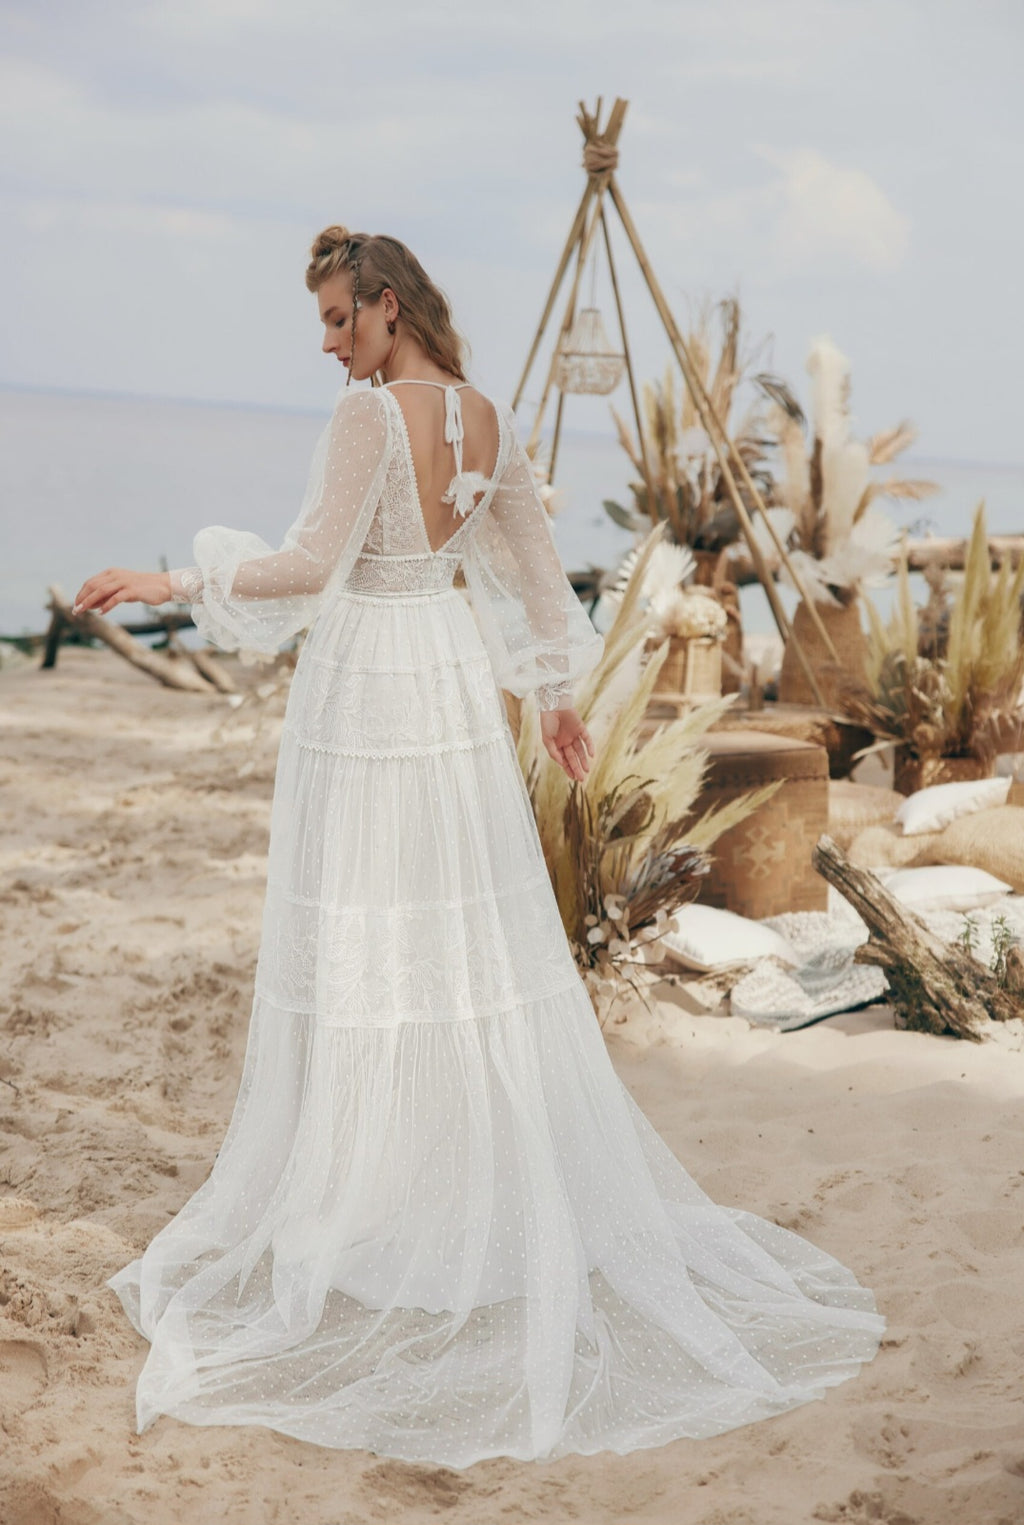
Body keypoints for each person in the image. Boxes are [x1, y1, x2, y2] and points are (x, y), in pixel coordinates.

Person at [75, 227, 884, 1468]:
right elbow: (535, 573)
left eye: (339, 318)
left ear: (387, 308)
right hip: (450, 679)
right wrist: (554, 697)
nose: (329, 344)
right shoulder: (487, 415)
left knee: (365, 934)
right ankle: (421, 1196)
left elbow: (310, 565)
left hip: (368, 682)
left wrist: (169, 576)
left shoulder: (367, 417)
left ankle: (369, 1203)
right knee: (448, 937)